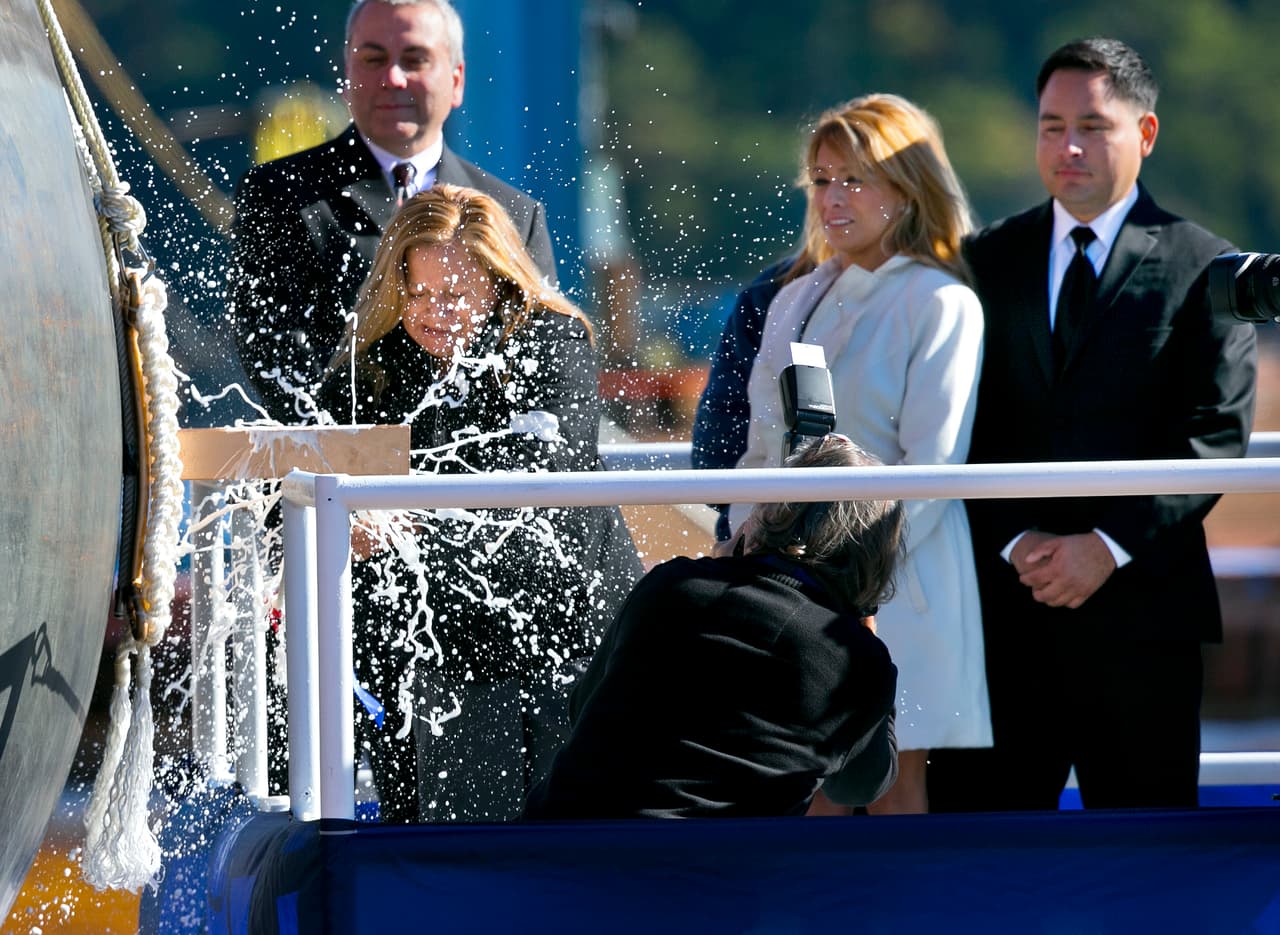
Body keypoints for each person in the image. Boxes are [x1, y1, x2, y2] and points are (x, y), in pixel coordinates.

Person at [928, 38, 1258, 812]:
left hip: (1144, 629)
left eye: (1092, 126)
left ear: (1144, 134)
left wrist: (1104, 549)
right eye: (1050, 126)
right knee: (983, 864)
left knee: (1149, 871)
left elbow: (1213, 432)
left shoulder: (1204, 266)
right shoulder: (983, 262)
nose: (1068, 146)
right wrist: (1018, 542)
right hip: (1004, 619)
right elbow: (959, 424)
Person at [319, 184, 641, 822]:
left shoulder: (555, 343)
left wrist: (399, 527)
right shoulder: (377, 364)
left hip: (566, 634)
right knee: (436, 855)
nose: (433, 313)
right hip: (431, 651)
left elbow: (542, 491)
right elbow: (311, 462)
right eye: (416, 293)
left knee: (567, 853)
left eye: (453, 296)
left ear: (498, 282)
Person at [729, 94, 991, 814]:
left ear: (906, 191)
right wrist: (743, 544)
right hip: (786, 582)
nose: (832, 198)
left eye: (855, 179)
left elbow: (930, 470)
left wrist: (849, 574)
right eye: (821, 179)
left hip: (898, 580)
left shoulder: (941, 302)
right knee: (799, 782)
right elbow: (762, 443)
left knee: (895, 781)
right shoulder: (794, 296)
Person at [523, 434, 903, 820]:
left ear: (771, 514)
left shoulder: (673, 585)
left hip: (560, 853)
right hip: (715, 875)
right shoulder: (855, 663)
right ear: (875, 558)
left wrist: (721, 565)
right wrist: (866, 638)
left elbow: (581, 708)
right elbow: (860, 785)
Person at [230, 0, 557, 424]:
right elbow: (274, 357)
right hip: (332, 478)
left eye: (415, 59)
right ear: (347, 75)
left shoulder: (517, 214)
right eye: (373, 59)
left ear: (457, 81)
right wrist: (376, 454)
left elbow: (541, 358)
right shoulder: (279, 195)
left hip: (475, 480)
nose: (393, 78)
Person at [692, 253, 817, 541]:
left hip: (772, 549)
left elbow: (717, 462)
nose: (835, 203)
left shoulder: (777, 290)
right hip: (871, 554)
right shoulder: (934, 290)